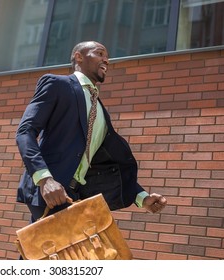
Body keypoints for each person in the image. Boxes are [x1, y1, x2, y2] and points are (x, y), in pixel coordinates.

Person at [16, 41, 167, 222]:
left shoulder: (100, 110)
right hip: (52, 191)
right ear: (79, 56)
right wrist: (44, 180)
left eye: (107, 56)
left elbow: (102, 163)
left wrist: (142, 197)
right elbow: (25, 131)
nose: (107, 60)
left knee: (44, 249)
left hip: (76, 195)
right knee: (79, 248)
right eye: (100, 53)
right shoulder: (57, 84)